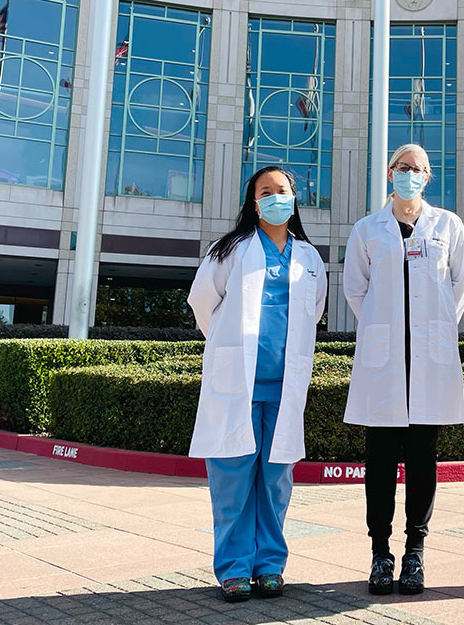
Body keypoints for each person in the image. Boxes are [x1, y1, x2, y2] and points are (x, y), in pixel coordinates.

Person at [187, 166, 327, 603]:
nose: (274, 197)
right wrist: (233, 350)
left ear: (294, 199)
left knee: (274, 481)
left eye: (282, 190)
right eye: (265, 192)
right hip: (238, 387)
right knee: (231, 481)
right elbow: (202, 304)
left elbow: (315, 312)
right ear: (253, 202)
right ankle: (233, 569)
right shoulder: (229, 249)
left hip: (283, 387)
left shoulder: (308, 257)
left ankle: (269, 566)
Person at [343, 143, 464, 596]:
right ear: (389, 172)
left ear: (428, 176)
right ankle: (381, 553)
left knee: (423, 464)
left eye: (418, 169)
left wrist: (432, 328)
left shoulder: (447, 226)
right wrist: (387, 328)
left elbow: (461, 284)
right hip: (383, 366)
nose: (410, 174)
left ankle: (415, 554)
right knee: (378, 464)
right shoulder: (367, 229)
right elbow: (356, 290)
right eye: (403, 167)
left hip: (429, 365)